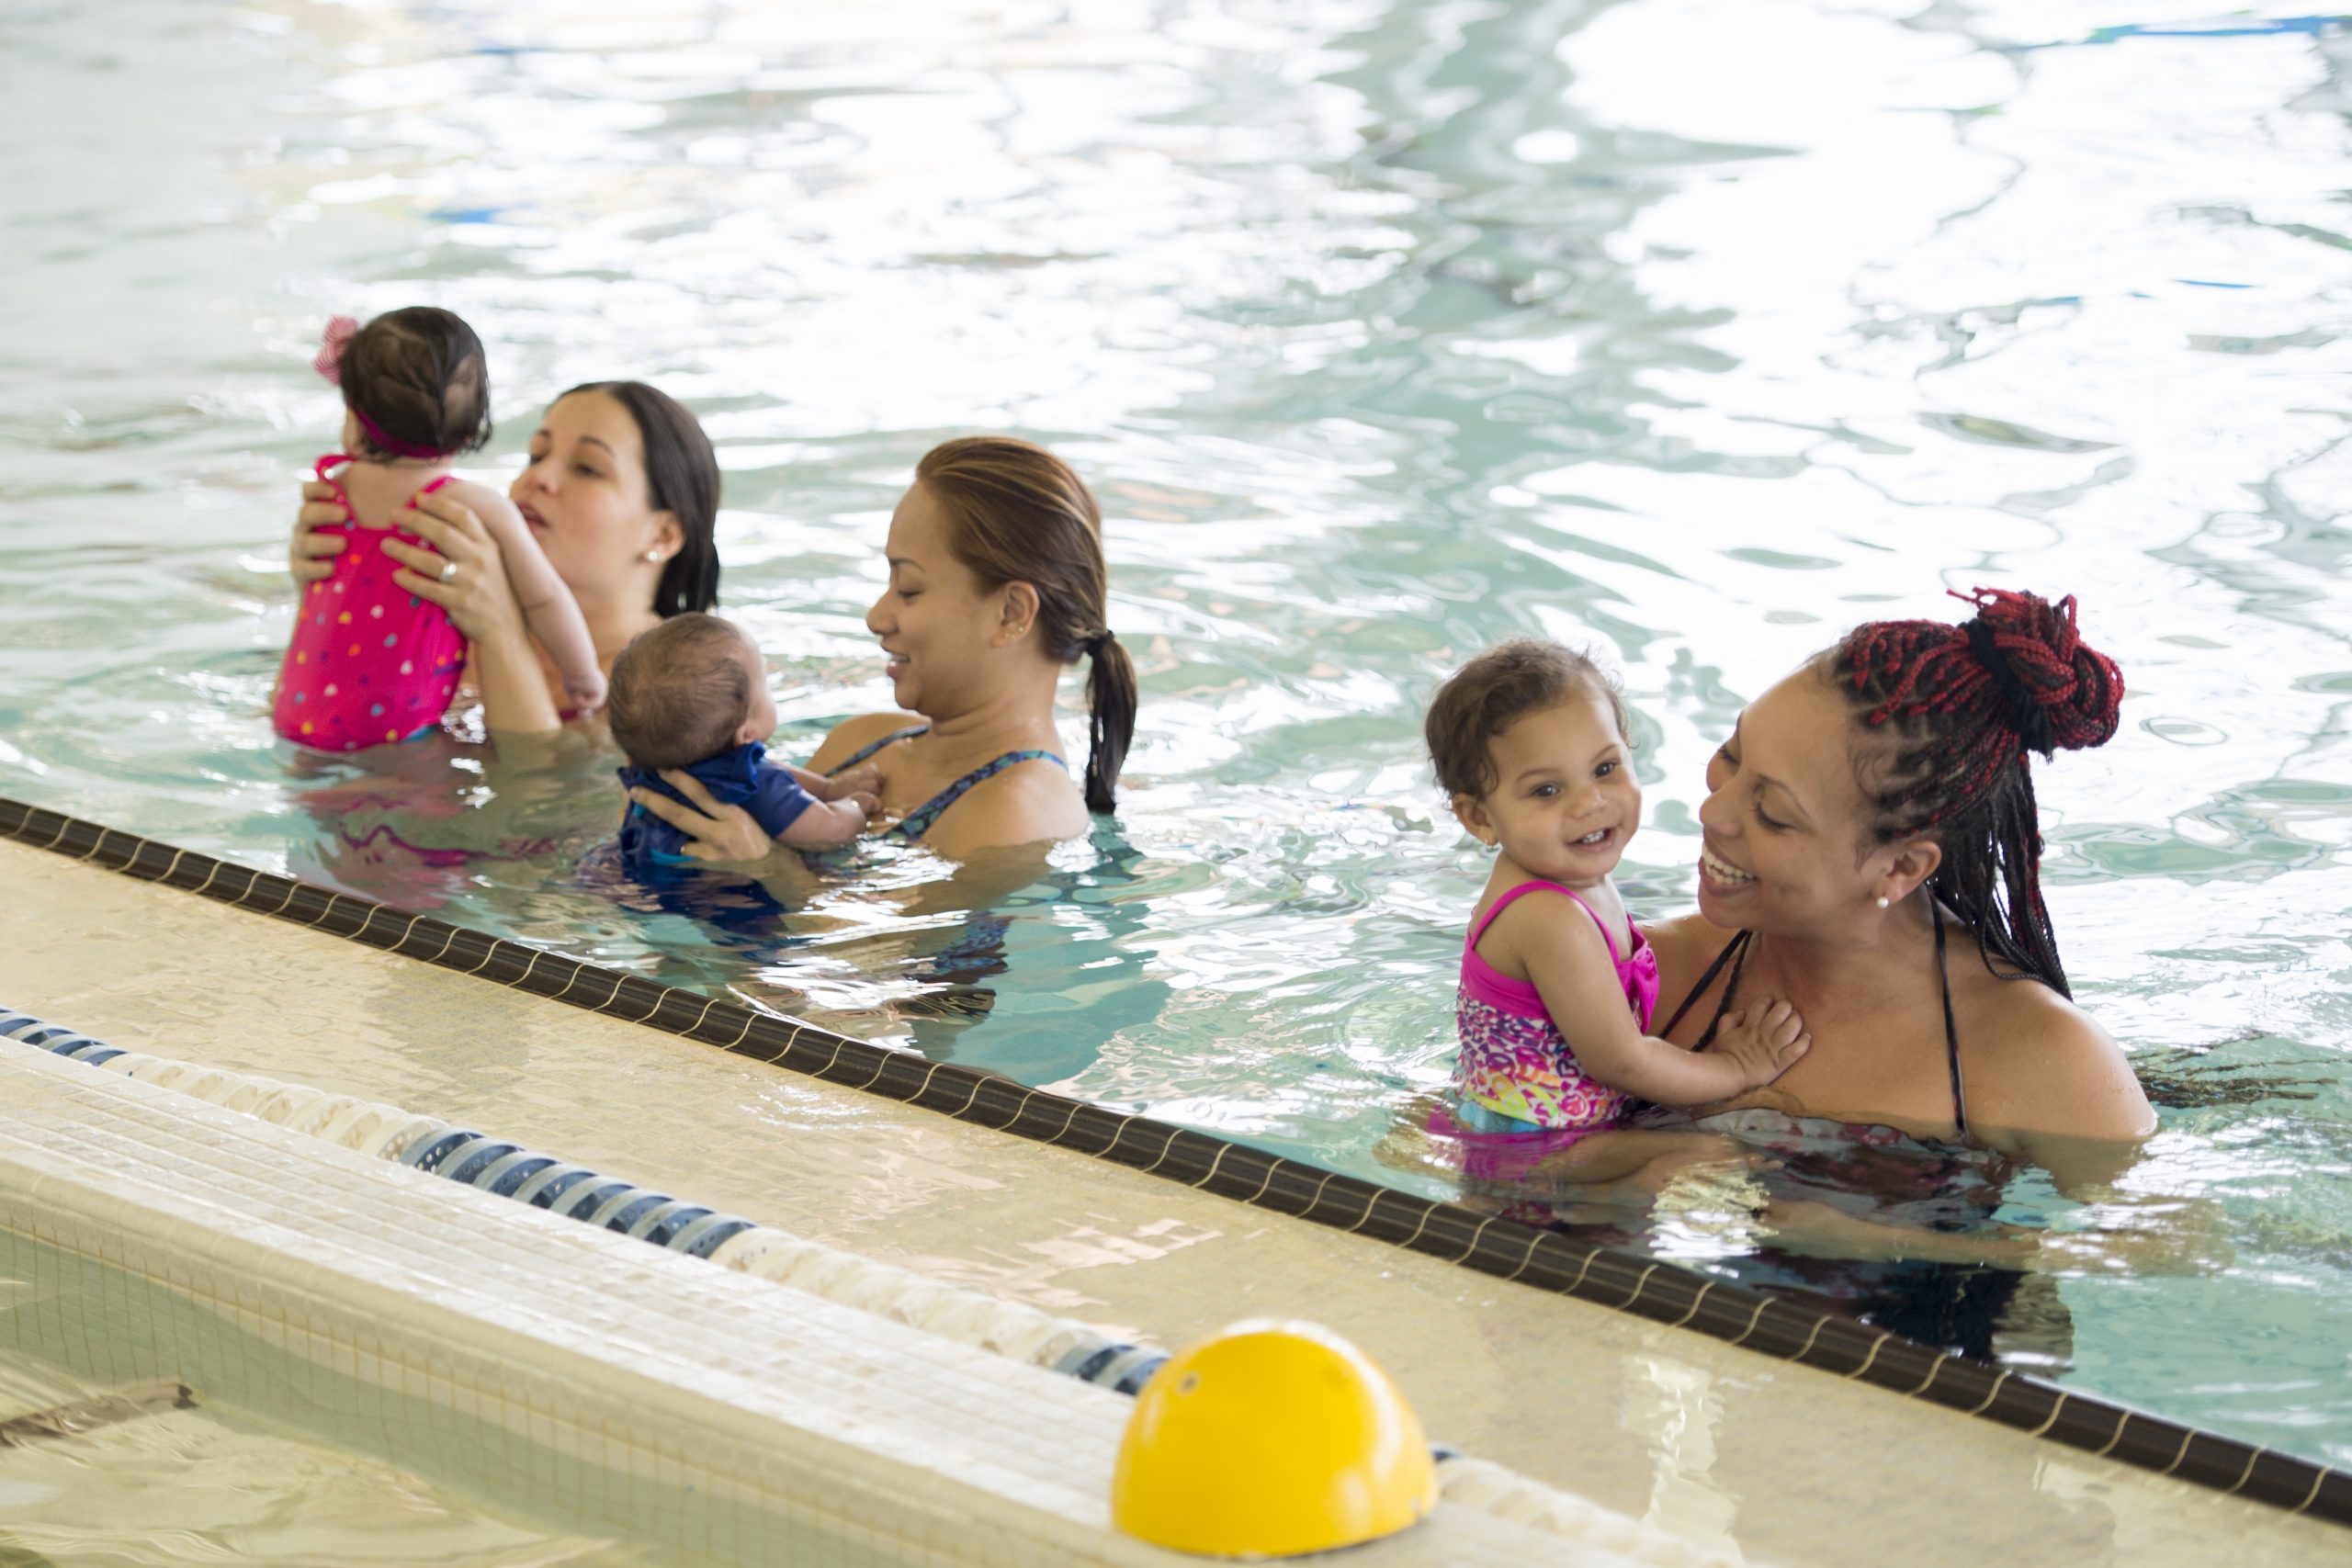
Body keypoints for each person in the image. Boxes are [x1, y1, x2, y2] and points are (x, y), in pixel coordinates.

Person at [1546, 588, 2159, 1288]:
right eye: (1731, 755)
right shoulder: (1647, 977)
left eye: (1773, 813)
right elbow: (1469, 1141)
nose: (1713, 810)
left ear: (1900, 866)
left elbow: (2166, 1251)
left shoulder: (2034, 1055)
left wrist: (1898, 1240)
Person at [623, 435, 1136, 863]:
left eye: (909, 589)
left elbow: (889, 976)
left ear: (1011, 614)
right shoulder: (862, 741)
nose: (876, 617)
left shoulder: (1021, 813)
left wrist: (767, 870)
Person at [1424, 639, 1811, 1141]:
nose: (1590, 803)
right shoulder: (1549, 917)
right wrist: (1738, 1067)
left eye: (1605, 769)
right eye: (1547, 790)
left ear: (1628, 745)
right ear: (1480, 817)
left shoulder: (1565, 877)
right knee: (1708, 1157)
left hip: (1548, 1128)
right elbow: (1623, 1063)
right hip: (1535, 1152)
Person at [289, 378, 721, 739]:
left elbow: (534, 811)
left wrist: (500, 632)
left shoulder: (688, 685)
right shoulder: (440, 628)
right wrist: (326, 595)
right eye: (537, 455)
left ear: (662, 536)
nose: (539, 478)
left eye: (588, 468)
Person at [276, 310, 603, 750]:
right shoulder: (472, 506)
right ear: (474, 423)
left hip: (296, 714)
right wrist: (582, 675)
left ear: (354, 418)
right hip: (397, 733)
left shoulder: (330, 493)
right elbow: (544, 597)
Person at [605, 614, 876, 869]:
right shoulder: (756, 785)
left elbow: (770, 766)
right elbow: (831, 830)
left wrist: (829, 790)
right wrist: (852, 806)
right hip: (733, 897)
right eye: (766, 683)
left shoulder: (650, 772)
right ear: (746, 733)